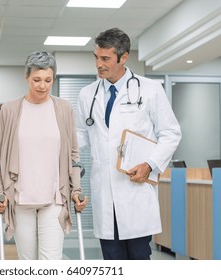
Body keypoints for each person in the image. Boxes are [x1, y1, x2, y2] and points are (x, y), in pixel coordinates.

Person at [76, 28, 181, 260]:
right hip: (105, 190)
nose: (98, 64)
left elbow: (171, 132)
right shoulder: (87, 94)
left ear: (123, 57)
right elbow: (81, 134)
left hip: (135, 187)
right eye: (96, 57)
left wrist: (151, 164)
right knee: (112, 260)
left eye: (105, 58)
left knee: (138, 259)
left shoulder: (150, 89)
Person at [0, 51, 87, 260]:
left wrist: (76, 189)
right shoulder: (9, 110)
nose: (42, 86)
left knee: (50, 261)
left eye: (48, 80)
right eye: (36, 80)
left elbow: (73, 154)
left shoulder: (63, 108)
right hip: (19, 196)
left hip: (54, 197)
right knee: (27, 262)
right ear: (26, 77)